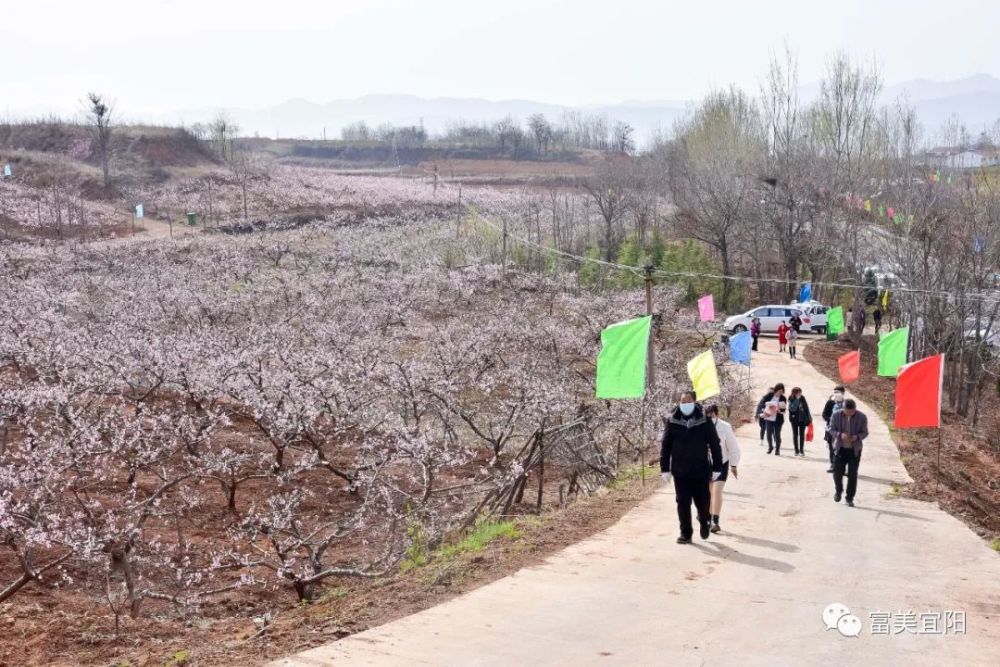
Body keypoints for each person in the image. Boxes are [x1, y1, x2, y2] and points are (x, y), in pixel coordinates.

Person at [660, 392, 723, 544]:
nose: (685, 403)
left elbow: (715, 444)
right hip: (680, 471)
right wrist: (665, 469)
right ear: (679, 402)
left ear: (694, 402)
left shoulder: (704, 421)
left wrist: (717, 467)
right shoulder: (672, 421)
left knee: (702, 502)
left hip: (700, 470)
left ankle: (704, 520)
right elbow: (666, 445)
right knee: (682, 502)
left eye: (688, 400)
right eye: (682, 401)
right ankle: (686, 533)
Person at [705, 404, 740, 533]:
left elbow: (733, 447)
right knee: (708, 493)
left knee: (716, 491)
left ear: (717, 414)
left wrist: (734, 465)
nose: (710, 417)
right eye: (707, 415)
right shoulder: (700, 427)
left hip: (721, 463)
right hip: (706, 464)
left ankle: (715, 521)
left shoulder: (725, 427)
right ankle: (707, 518)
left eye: (712, 415)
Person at [827, 399, 869, 506]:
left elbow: (865, 432)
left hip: (854, 450)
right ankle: (838, 490)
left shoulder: (862, 417)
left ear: (855, 409)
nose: (849, 413)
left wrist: (857, 437)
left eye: (851, 411)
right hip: (840, 448)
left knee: (852, 474)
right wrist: (840, 435)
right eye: (847, 411)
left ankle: (849, 498)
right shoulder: (836, 415)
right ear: (843, 409)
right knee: (837, 473)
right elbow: (830, 429)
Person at [822, 385, 847, 473]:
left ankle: (842, 468)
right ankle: (833, 465)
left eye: (838, 392)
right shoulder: (830, 402)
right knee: (832, 448)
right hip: (831, 429)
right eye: (835, 392)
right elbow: (824, 414)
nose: (836, 394)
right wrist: (832, 421)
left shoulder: (846, 403)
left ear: (843, 393)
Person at [759, 383, 787, 455]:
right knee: (768, 434)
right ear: (776, 390)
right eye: (779, 391)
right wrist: (765, 408)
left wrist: (779, 410)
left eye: (782, 391)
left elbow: (783, 410)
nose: (780, 393)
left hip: (778, 419)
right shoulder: (770, 395)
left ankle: (777, 450)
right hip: (769, 418)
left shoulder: (783, 398)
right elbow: (763, 402)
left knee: (777, 434)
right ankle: (770, 447)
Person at [787, 387, 812, 456]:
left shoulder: (803, 398)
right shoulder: (791, 398)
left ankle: (801, 450)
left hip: (802, 419)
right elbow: (792, 409)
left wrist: (809, 418)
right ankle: (796, 450)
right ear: (794, 393)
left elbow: (806, 408)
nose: (800, 394)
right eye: (798, 393)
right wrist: (797, 400)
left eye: (800, 392)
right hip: (794, 419)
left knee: (802, 435)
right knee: (795, 435)